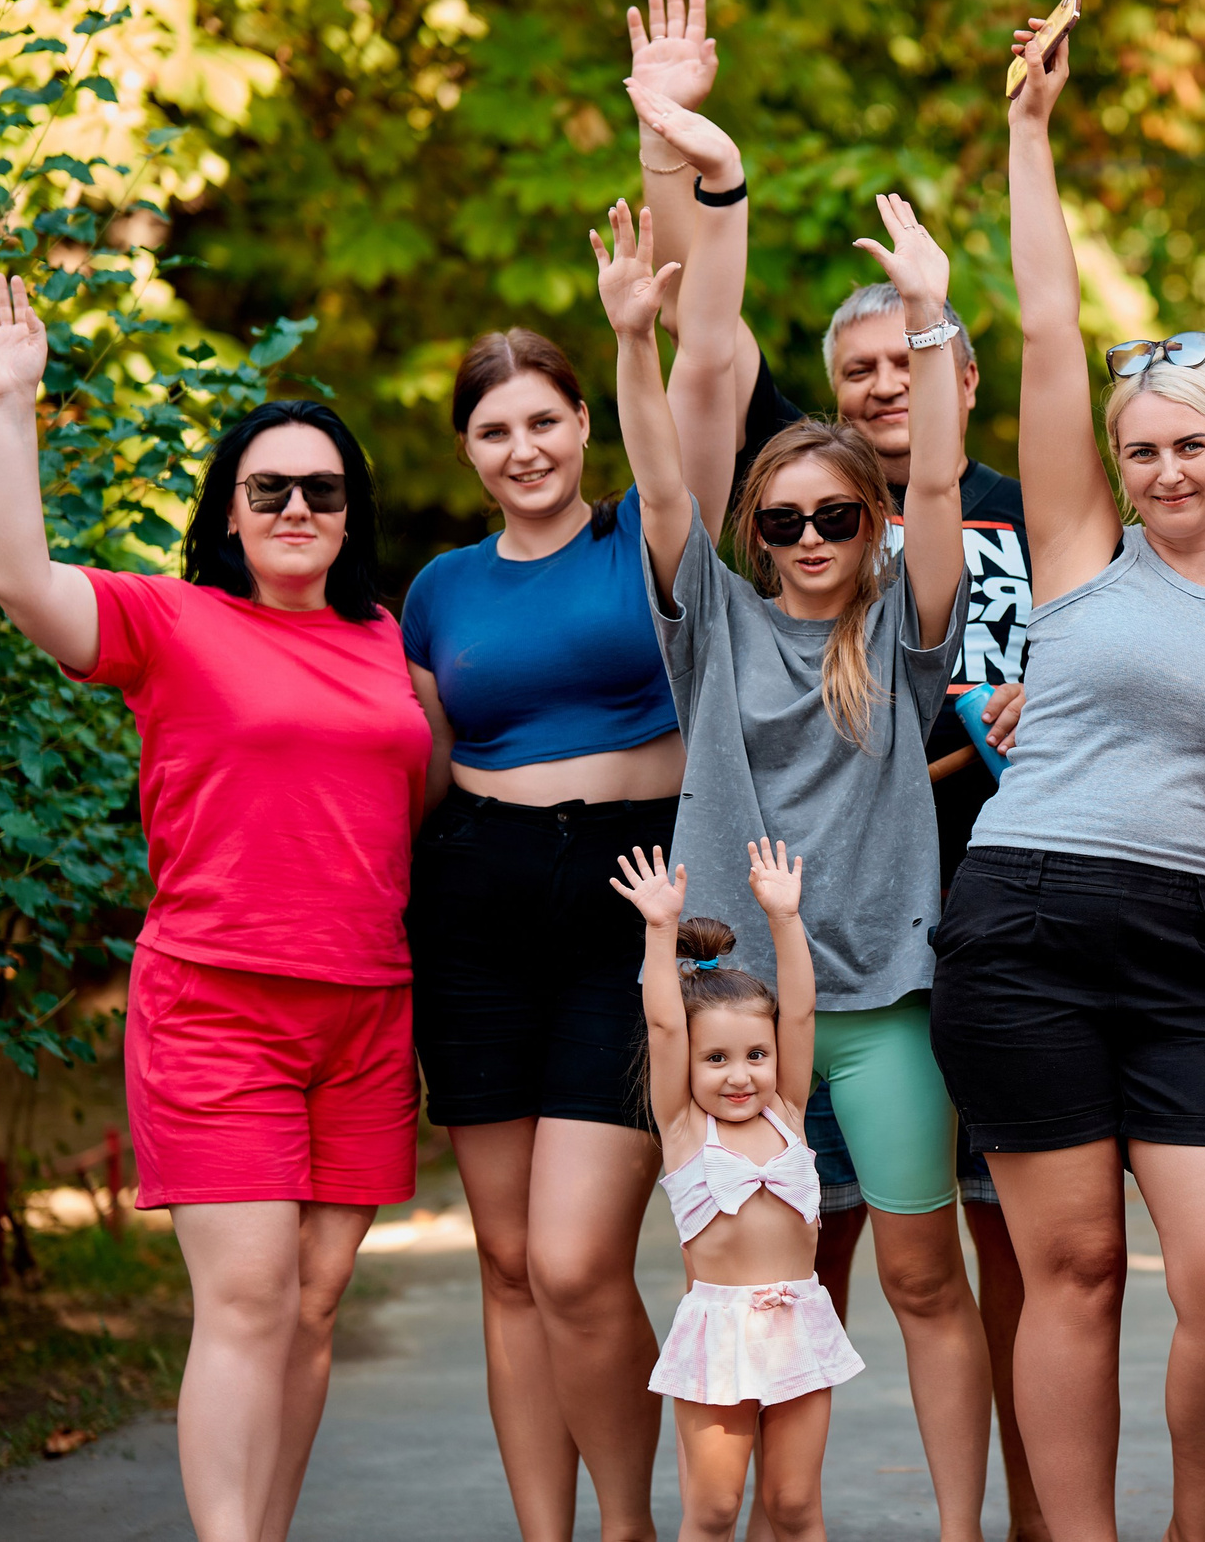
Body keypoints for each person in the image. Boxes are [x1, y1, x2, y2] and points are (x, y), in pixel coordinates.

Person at [927, 12, 1205, 1542]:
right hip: (1026, 919)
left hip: (1197, 948)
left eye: (1194, 443)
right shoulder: (1079, 554)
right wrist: (1030, 131)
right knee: (1073, 1262)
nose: (1166, 469)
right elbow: (1042, 324)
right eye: (1142, 445)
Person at [0, 275, 429, 1542]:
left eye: (321, 490)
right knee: (247, 1300)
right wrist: (16, 407)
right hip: (218, 1005)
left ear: (350, 515)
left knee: (318, 1301)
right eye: (269, 488)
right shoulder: (167, 620)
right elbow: (16, 577)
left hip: (367, 1015)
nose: (295, 507)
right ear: (229, 511)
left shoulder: (388, 641)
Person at [606, 134, 997, 1542]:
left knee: (922, 1276)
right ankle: (781, 1519)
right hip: (730, 1012)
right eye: (787, 518)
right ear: (759, 531)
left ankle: (960, 1527)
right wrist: (632, 347)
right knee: (758, 1285)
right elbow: (660, 493)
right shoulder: (708, 625)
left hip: (880, 1001)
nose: (813, 532)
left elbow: (944, 495)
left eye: (838, 513)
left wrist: (937, 315)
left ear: (869, 522)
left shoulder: (899, 635)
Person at [395, 109, 749, 1542]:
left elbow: (699, 395)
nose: (522, 445)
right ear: (471, 451)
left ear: (583, 425)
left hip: (631, 889)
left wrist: (631, 331)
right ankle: (544, 1528)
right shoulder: (436, 589)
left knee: (579, 1254)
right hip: (477, 896)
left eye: (544, 418)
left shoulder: (648, 537)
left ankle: (625, 1521)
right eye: (494, 428)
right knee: (502, 1255)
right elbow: (413, 764)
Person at [615, 838, 861, 1542]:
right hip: (717, 1333)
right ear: (687, 1066)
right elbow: (665, 1022)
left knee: (794, 1506)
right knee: (715, 1508)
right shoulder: (686, 1128)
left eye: (755, 1054)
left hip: (799, 1325)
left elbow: (803, 1015)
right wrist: (659, 931)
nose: (739, 1075)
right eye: (715, 1058)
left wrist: (786, 918)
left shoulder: (787, 1111)